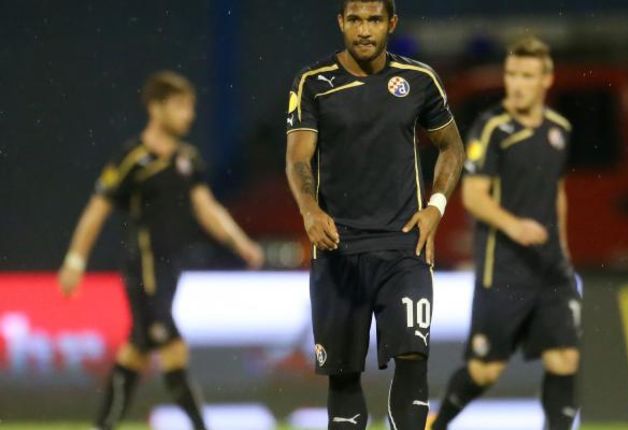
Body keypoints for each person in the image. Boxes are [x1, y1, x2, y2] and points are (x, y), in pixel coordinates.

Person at [284, 0, 465, 428]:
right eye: (356, 20)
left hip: (404, 246)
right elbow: (297, 160)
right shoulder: (314, 82)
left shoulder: (418, 80)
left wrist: (435, 208)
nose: (364, 31)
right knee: (344, 381)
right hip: (338, 250)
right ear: (341, 23)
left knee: (412, 358)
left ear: (391, 24)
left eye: (374, 20)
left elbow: (451, 146)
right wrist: (309, 210)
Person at [58, 71, 264, 430]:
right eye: (181, 106)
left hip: (170, 272)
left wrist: (240, 242)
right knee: (173, 350)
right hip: (144, 269)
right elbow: (97, 209)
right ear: (156, 108)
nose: (190, 114)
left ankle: (102, 426)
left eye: (191, 106)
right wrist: (75, 260)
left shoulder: (187, 159)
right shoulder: (133, 158)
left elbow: (207, 208)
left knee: (136, 353)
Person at [430, 36, 583, 430]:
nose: (516, 84)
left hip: (551, 270)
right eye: (512, 74)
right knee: (485, 371)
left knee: (564, 358)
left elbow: (557, 192)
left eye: (527, 75)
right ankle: (436, 422)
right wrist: (516, 226)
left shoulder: (560, 129)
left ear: (546, 79)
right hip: (505, 270)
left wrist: (562, 248)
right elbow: (475, 196)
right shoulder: (492, 127)